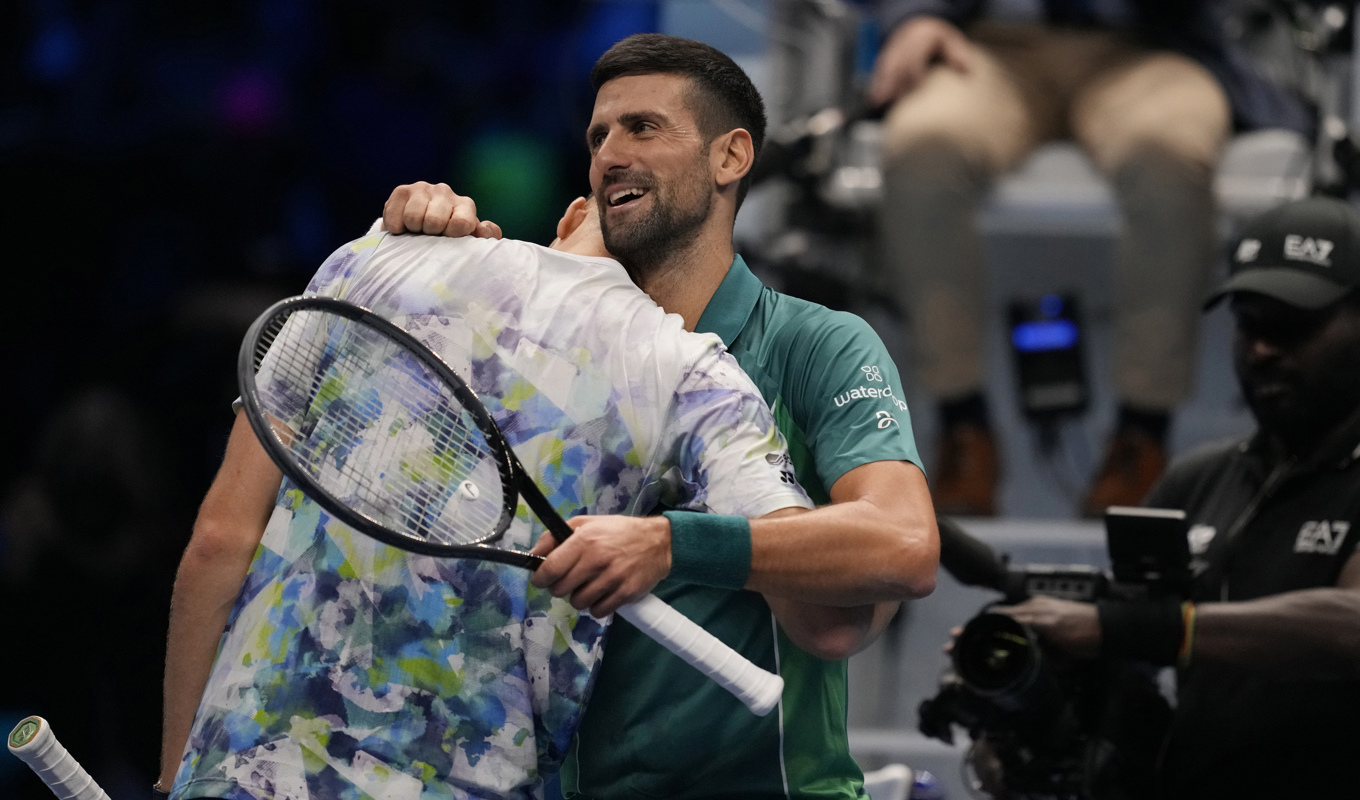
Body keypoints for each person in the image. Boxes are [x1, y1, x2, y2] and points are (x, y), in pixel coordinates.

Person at [382, 33, 939, 800]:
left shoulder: (816, 343)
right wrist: (422, 252)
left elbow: (903, 545)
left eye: (643, 128)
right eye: (597, 138)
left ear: (730, 157)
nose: (610, 154)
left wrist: (670, 544)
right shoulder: (546, 370)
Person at [157, 197, 820, 800]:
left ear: (573, 214)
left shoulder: (377, 257)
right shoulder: (696, 375)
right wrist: (670, 545)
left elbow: (220, 540)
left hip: (238, 773)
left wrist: (175, 780)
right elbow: (821, 588)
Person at [868, 0, 1310, 516]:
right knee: (923, 151)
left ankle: (1142, 435)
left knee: (1170, 159)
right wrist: (916, 16)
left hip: (1146, 46)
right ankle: (962, 425)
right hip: (986, 45)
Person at [995, 196, 1360, 798]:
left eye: (1291, 325)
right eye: (1249, 323)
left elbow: (1351, 627)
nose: (1262, 349)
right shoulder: (1197, 480)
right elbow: (1124, 655)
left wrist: (1145, 627)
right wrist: (1030, 708)